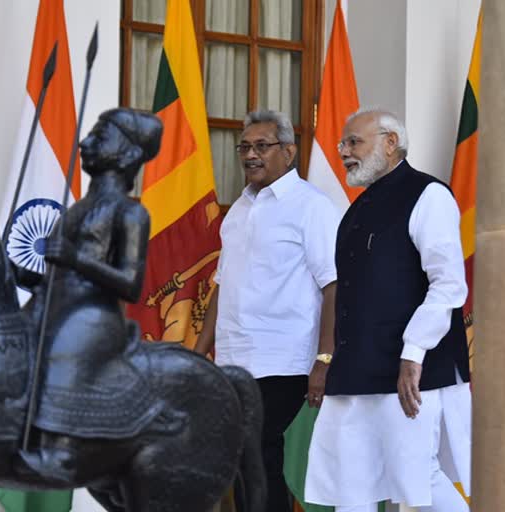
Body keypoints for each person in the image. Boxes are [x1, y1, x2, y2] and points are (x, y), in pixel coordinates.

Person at [303, 107, 472, 512]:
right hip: (356, 369)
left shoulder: (428, 195)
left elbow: (448, 284)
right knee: (351, 483)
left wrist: (413, 353)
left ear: (390, 143)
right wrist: (329, 359)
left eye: (353, 142)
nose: (342, 150)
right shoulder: (357, 208)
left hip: (410, 371)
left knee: (418, 478)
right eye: (342, 143)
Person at [194, 110, 340, 512]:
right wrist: (197, 354)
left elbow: (334, 285)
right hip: (234, 360)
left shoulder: (311, 207)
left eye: (262, 146)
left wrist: (325, 359)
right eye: (244, 146)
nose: (250, 155)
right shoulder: (239, 209)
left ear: (288, 152)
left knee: (257, 452)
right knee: (244, 458)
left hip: (284, 361)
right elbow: (222, 288)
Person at [28, 108, 166, 443]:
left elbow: (131, 285)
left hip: (93, 318)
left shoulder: (130, 212)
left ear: (129, 154)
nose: (84, 142)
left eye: (99, 136)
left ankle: (61, 446)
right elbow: (61, 275)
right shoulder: (76, 209)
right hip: (55, 308)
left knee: (60, 354)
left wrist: (76, 259)